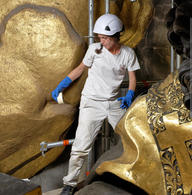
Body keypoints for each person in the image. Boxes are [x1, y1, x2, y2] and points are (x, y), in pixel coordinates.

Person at [51, 13, 140, 195]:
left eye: (105, 38)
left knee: (130, 139)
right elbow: (80, 69)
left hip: (114, 103)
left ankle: (132, 177)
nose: (102, 41)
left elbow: (132, 77)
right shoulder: (94, 49)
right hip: (91, 102)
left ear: (115, 36)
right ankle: (70, 184)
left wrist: (130, 93)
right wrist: (62, 84)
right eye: (100, 37)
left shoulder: (128, 54)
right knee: (81, 146)